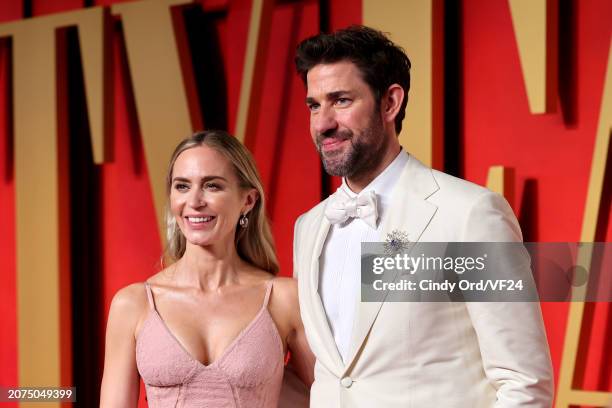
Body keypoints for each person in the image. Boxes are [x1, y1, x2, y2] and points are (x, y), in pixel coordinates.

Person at [292, 25, 554, 407]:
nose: (322, 123)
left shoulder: (470, 213)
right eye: (314, 105)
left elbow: (524, 381)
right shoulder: (309, 227)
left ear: (390, 103)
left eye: (341, 100)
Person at [100, 130, 314, 407]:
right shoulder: (133, 304)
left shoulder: (284, 299)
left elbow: (331, 396)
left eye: (212, 186)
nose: (194, 201)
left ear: (247, 201)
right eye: (182, 186)